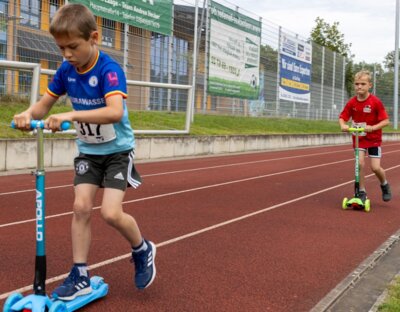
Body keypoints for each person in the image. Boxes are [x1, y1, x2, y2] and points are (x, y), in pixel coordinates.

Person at [13, 3, 156, 300]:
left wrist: (71, 116)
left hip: (117, 151)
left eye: (72, 47)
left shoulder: (109, 69)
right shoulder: (66, 71)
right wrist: (27, 115)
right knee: (80, 207)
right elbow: (43, 105)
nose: (66, 55)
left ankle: (142, 248)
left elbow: (115, 112)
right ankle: (80, 273)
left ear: (94, 37)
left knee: (111, 213)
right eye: (60, 47)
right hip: (89, 152)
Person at [339, 70, 391, 203]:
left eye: (363, 84)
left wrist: (372, 127)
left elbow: (386, 121)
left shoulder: (375, 102)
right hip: (359, 139)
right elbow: (342, 117)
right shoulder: (352, 102)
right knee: (359, 164)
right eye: (357, 84)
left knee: (375, 167)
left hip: (373, 139)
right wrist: (343, 125)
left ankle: (384, 184)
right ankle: (361, 191)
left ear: (369, 85)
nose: (359, 87)